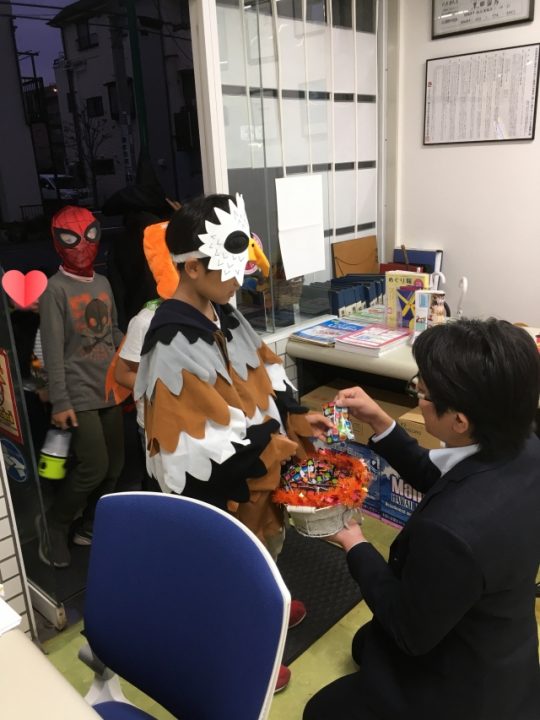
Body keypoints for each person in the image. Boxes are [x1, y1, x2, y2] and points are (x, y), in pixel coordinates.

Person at [134, 193, 334, 691]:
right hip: (223, 488)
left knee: (264, 554)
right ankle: (244, 661)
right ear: (193, 267)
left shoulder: (223, 311)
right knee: (226, 576)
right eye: (229, 265)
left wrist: (296, 414)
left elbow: (265, 371)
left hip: (259, 473)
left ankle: (269, 607)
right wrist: (279, 447)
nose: (240, 277)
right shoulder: (170, 342)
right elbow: (196, 449)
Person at [304, 318, 540, 720]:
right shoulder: (525, 446)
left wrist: (354, 542)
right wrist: (381, 422)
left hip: (464, 689)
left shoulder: (450, 532)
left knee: (320, 710)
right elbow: (445, 479)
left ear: (460, 421)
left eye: (421, 392)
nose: (417, 394)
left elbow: (407, 630)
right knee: (366, 644)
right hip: (501, 635)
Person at [37, 206, 125, 568]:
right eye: (71, 238)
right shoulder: (54, 289)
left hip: (109, 388)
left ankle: (89, 525)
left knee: (115, 465)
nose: (82, 246)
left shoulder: (102, 283)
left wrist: (136, 352)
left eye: (89, 236)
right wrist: (60, 401)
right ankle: (55, 524)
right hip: (77, 393)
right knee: (94, 465)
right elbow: (52, 351)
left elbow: (113, 331)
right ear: (58, 242)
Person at [110, 221, 178, 489]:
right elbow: (122, 373)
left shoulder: (204, 312)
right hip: (155, 427)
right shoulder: (145, 320)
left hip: (192, 425)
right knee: (162, 492)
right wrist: (159, 386)